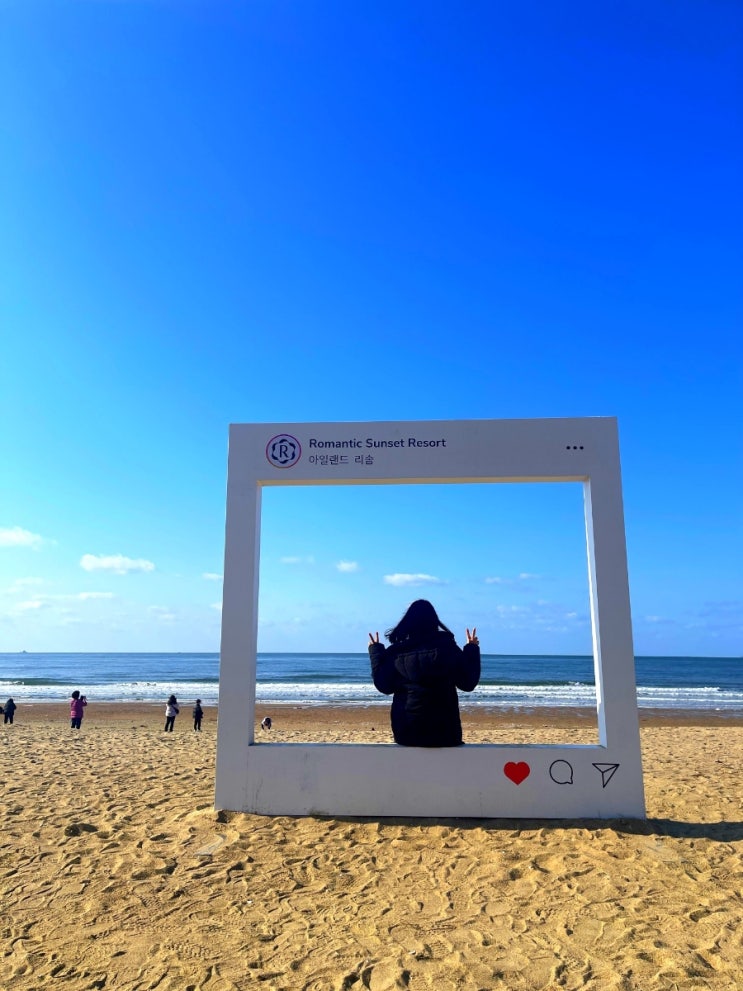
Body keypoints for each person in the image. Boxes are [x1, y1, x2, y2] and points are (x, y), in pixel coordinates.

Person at [368, 599, 480, 747]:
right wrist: (471, 649)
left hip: (407, 734)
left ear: (407, 623)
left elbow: (384, 686)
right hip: (445, 734)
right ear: (434, 622)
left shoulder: (396, 652)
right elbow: (467, 683)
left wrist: (376, 652)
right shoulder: (448, 648)